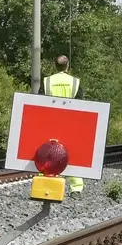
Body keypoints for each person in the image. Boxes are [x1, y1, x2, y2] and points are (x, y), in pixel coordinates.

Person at [44, 57, 85, 193]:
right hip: (70, 123)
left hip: (50, 122)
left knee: (48, 154)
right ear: (68, 66)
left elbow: (39, 103)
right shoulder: (75, 82)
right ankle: (76, 188)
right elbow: (80, 104)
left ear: (55, 66)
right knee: (73, 154)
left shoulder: (47, 81)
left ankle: (46, 186)